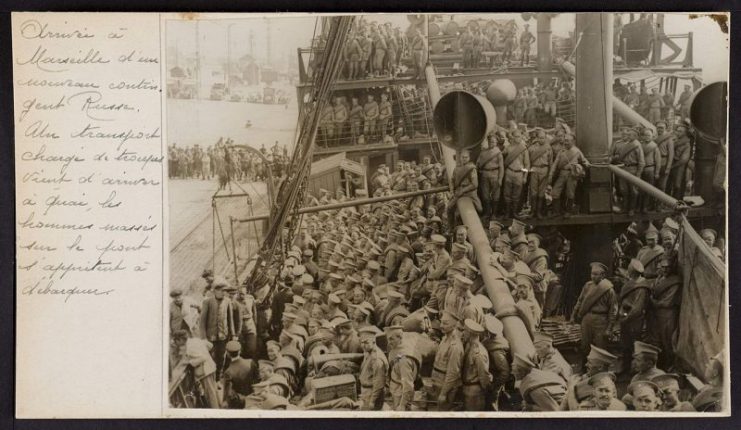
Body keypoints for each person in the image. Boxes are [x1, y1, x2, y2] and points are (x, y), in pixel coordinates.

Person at [571, 262, 618, 357]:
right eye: (592, 273)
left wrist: (609, 328)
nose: (593, 276)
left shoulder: (608, 289)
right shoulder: (587, 286)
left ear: (603, 275)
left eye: (596, 274)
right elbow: (580, 301)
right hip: (587, 318)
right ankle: (584, 368)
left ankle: (600, 369)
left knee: (600, 347)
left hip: (601, 320)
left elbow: (613, 310)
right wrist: (573, 315)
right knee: (584, 346)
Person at [645, 257, 681, 370]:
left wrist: (652, 300)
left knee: (668, 340)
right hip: (655, 315)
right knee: (656, 339)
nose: (665, 269)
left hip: (667, 315)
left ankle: (670, 365)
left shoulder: (675, 282)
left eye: (668, 267)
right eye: (663, 267)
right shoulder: (659, 278)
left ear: (672, 268)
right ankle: (658, 364)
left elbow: (666, 302)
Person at [617, 258, 650, 373]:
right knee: (625, 344)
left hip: (635, 320)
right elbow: (622, 301)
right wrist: (622, 314)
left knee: (635, 345)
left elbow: (638, 308)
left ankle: (636, 370)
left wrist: (626, 318)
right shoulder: (629, 283)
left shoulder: (642, 286)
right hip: (626, 318)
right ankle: (625, 368)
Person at [200, 280, 237, 379]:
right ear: (215, 291)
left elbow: (230, 319)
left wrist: (233, 334)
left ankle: (218, 378)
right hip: (210, 336)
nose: (224, 293)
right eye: (222, 291)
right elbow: (202, 321)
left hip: (223, 336)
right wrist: (203, 337)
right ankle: (211, 377)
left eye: (225, 291)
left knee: (221, 357)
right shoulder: (207, 302)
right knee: (211, 358)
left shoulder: (227, 301)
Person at [430, 310, 464, 411]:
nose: (441, 325)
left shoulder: (455, 346)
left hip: (446, 387)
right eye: (441, 322)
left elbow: (453, 373)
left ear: (454, 326)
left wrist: (444, 393)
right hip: (438, 384)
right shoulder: (445, 338)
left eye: (445, 323)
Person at [549, 134, 589, 217]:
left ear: (573, 141)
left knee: (570, 193)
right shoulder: (562, 151)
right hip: (562, 173)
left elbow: (584, 161)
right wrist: (551, 173)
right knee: (555, 192)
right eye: (565, 140)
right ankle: (556, 211)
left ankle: (568, 211)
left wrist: (583, 166)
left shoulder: (577, 151)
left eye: (567, 140)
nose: (565, 142)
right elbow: (555, 163)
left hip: (572, 174)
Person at [611, 126, 645, 215]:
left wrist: (638, 174)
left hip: (633, 170)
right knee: (624, 190)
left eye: (631, 135)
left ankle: (632, 209)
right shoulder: (625, 144)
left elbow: (641, 162)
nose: (628, 136)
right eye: (628, 134)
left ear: (636, 136)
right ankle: (625, 208)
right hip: (623, 169)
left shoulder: (637, 145)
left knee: (633, 191)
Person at [385, 325, 420, 411]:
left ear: (400, 338)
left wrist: (402, 405)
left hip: (401, 395)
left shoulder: (404, 360)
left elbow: (408, 385)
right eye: (388, 339)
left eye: (391, 339)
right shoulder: (399, 349)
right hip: (396, 391)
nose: (388, 342)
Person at [460, 318, 491, 411]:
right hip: (467, 389)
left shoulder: (479, 353)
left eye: (464, 331)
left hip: (474, 392)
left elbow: (483, 376)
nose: (463, 333)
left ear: (470, 334)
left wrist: (485, 390)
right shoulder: (469, 347)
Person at [446, 149, 481, 226]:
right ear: (460, 158)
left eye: (466, 157)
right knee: (449, 208)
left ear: (469, 158)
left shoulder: (472, 169)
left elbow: (474, 184)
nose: (464, 159)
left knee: (479, 209)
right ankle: (451, 227)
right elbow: (452, 181)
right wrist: (452, 191)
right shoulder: (457, 168)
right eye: (463, 157)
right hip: (458, 192)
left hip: (469, 193)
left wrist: (463, 190)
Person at [358, 326, 388, 410]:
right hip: (366, 391)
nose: (363, 345)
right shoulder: (368, 352)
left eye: (366, 342)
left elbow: (379, 382)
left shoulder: (377, 359)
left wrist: (372, 401)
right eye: (361, 342)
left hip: (372, 394)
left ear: (374, 342)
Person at [222, 340, 259, 408]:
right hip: (254, 398)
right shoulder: (251, 362)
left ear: (227, 354)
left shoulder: (228, 372)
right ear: (240, 351)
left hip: (239, 403)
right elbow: (258, 380)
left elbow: (229, 395)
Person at [527, 128, 554, 219]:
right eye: (540, 138)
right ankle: (533, 212)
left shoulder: (548, 148)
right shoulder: (532, 148)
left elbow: (551, 162)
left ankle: (539, 212)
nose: (542, 139)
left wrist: (550, 174)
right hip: (534, 169)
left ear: (546, 138)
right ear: (537, 138)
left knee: (541, 192)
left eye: (543, 138)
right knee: (533, 191)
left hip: (544, 170)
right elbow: (528, 161)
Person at [502, 134, 530, 218]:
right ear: (513, 137)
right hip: (509, 172)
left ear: (521, 138)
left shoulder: (524, 149)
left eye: (519, 137)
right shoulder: (508, 147)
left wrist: (524, 176)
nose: (517, 138)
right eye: (516, 136)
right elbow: (501, 155)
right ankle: (507, 213)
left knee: (516, 195)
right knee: (507, 194)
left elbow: (527, 165)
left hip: (519, 173)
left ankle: (514, 213)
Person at [477, 136, 504, 220]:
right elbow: (478, 163)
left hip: (495, 174)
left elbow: (501, 167)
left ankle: (494, 214)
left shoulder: (498, 153)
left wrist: (500, 179)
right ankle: (487, 213)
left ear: (496, 143)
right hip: (485, 174)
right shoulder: (483, 152)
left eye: (493, 142)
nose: (491, 143)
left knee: (496, 196)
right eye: (490, 142)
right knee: (485, 195)